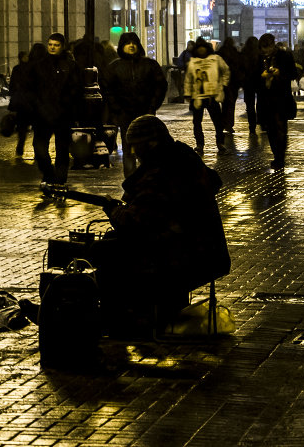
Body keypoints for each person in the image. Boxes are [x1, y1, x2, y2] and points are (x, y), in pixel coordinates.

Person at [95, 115, 229, 328]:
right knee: (116, 242)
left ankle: (111, 317)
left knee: (107, 250)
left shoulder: (164, 170)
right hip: (203, 251)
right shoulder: (183, 159)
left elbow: (135, 222)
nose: (136, 154)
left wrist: (114, 212)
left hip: (184, 256)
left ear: (151, 143)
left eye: (137, 147)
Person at [100, 32, 167, 176]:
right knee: (128, 148)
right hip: (125, 114)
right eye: (127, 43)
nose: (131, 46)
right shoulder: (114, 67)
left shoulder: (149, 65)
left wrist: (153, 105)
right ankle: (131, 180)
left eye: (133, 43)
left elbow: (160, 85)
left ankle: (147, 178)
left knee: (148, 147)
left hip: (146, 113)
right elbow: (107, 89)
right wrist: (117, 108)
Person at [28, 32, 82, 186]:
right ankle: (48, 172)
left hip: (63, 113)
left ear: (62, 47)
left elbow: (76, 89)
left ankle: (60, 178)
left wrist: (71, 107)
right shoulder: (39, 65)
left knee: (62, 148)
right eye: (50, 44)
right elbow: (32, 88)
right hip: (42, 113)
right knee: (39, 148)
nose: (52, 47)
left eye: (56, 45)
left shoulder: (70, 66)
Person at [256, 33, 299, 169]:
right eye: (264, 48)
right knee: (269, 128)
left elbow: (293, 73)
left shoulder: (284, 56)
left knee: (281, 128)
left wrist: (280, 73)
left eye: (269, 47)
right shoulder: (258, 59)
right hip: (265, 99)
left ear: (273, 45)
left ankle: (280, 157)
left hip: (281, 98)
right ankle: (276, 154)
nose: (266, 50)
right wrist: (261, 76)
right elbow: (252, 78)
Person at [184, 37, 230, 157]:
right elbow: (188, 79)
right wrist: (188, 93)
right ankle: (200, 144)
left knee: (218, 122)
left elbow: (226, 71)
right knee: (197, 122)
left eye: (203, 49)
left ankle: (220, 143)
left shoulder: (215, 60)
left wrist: (223, 85)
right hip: (197, 96)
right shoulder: (193, 62)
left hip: (212, 96)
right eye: (199, 49)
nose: (201, 51)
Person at [9, 45, 44, 159]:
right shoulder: (39, 67)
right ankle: (37, 150)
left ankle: (20, 145)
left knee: (22, 126)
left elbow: (13, 86)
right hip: (35, 104)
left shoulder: (19, 69)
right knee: (37, 128)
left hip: (22, 103)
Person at [218, 37, 243, 134]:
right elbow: (239, 68)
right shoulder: (236, 54)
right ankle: (229, 124)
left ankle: (222, 123)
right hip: (233, 83)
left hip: (222, 82)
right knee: (231, 104)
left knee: (223, 104)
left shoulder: (220, 53)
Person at [240, 36, 262, 143]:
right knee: (261, 102)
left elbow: (241, 69)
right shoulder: (260, 53)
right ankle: (261, 122)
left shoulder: (244, 54)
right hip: (259, 81)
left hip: (248, 83)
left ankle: (252, 127)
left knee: (250, 105)